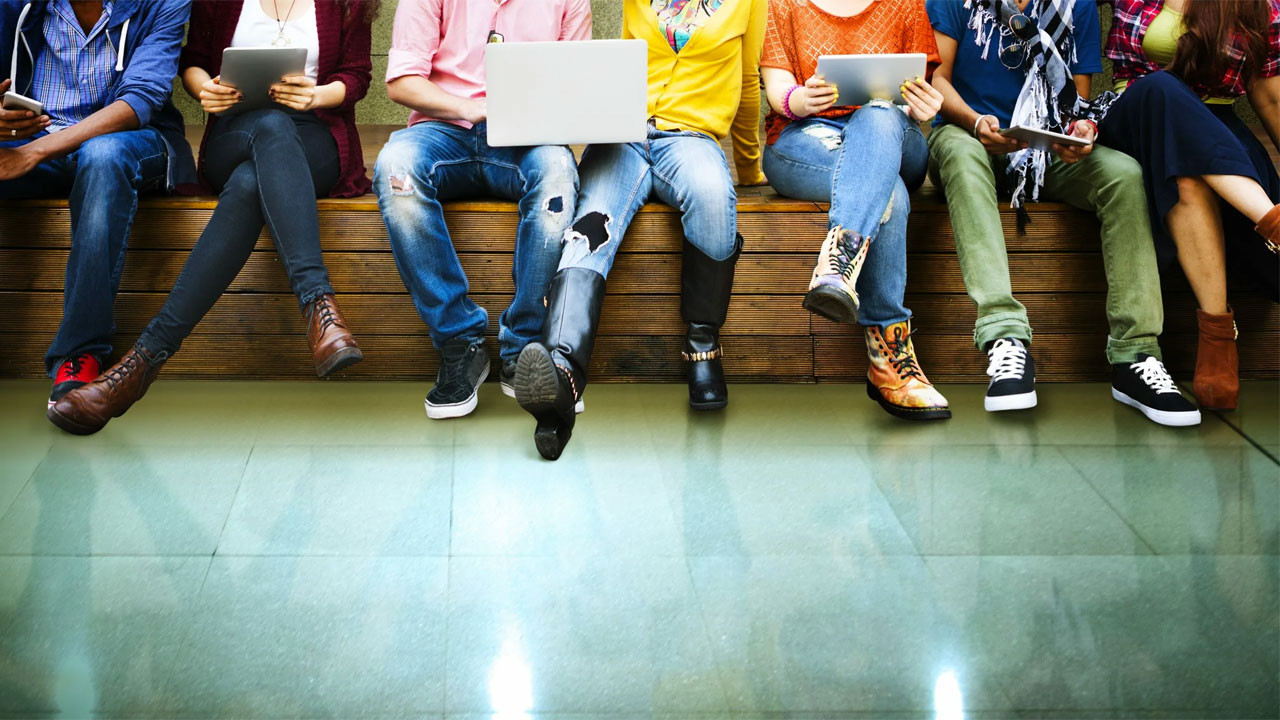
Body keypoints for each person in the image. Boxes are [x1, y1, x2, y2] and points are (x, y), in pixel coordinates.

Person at [46, 0, 376, 436]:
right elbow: (193, 62)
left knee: (250, 181)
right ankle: (319, 306)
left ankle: (141, 363)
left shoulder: (348, 3)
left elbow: (357, 76)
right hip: (234, 135)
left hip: (314, 139)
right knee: (269, 128)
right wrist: (206, 89)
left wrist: (317, 94)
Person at [926, 0, 1201, 427]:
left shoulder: (1076, 6)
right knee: (962, 156)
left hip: (1042, 148)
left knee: (1123, 175)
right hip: (967, 135)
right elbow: (936, 79)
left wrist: (1080, 132)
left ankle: (1135, 354)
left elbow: (1076, 102)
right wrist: (976, 122)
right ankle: (1004, 336)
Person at [513, 0, 767, 460]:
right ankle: (561, 370)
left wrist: (748, 167)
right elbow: (618, 69)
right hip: (624, 138)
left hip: (691, 139)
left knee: (713, 194)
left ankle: (703, 346)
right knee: (589, 228)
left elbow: (748, 81)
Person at [373, 0, 590, 421]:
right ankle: (459, 343)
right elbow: (401, 82)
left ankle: (525, 346)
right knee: (395, 169)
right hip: (442, 129)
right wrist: (469, 107)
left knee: (558, 174)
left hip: (526, 137)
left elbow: (575, 86)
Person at [761, 0, 951, 421]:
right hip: (807, 138)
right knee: (888, 191)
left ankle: (838, 264)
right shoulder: (784, 3)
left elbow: (921, 85)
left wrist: (921, 107)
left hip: (894, 134)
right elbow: (777, 90)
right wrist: (801, 100)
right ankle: (890, 360)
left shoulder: (905, 4)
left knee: (878, 113)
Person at [0, 0, 194, 410]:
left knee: (102, 156)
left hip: (130, 142)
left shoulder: (163, 3)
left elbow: (140, 100)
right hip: (34, 141)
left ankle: (80, 353)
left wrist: (34, 152)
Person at [1099, 0, 1280, 412]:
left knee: (1187, 174)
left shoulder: (1260, 5)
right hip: (1135, 121)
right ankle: (1271, 220)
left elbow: (1270, 99)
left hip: (1216, 133)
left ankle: (1217, 335)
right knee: (1161, 88)